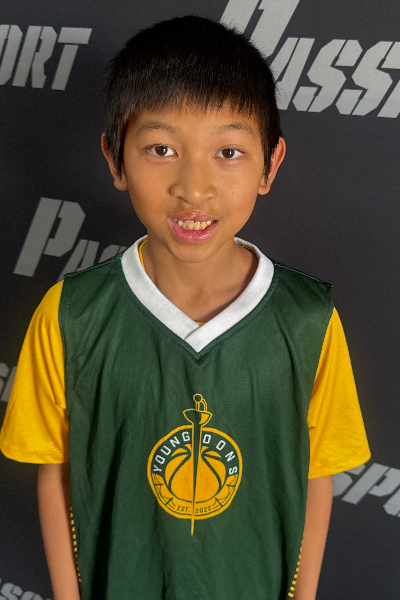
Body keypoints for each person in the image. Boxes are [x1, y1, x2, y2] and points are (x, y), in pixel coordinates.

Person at [0, 15, 370, 600]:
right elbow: (56, 472)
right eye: (161, 149)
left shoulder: (308, 318)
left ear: (270, 165)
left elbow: (316, 474)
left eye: (228, 151)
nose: (194, 188)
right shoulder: (71, 314)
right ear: (115, 160)